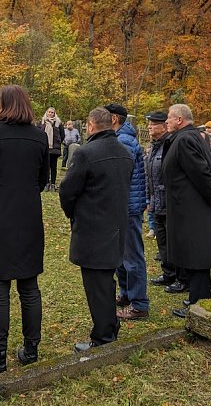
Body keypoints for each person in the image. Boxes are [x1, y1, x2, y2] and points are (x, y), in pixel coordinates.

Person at [0, 85, 49, 377]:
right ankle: (31, 350)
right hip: (27, 215)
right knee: (29, 286)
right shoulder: (39, 137)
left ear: (4, 104)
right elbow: (43, 179)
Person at [60, 107, 133, 351]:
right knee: (106, 282)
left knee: (97, 285)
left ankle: (103, 337)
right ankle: (110, 326)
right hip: (116, 226)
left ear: (91, 126)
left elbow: (67, 191)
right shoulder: (124, 152)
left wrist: (74, 214)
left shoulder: (86, 153)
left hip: (93, 228)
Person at [163, 104, 211, 318]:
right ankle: (197, 297)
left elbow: (201, 171)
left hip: (192, 207)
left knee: (197, 254)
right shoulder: (188, 138)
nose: (166, 122)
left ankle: (199, 302)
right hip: (189, 205)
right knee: (193, 253)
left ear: (180, 120)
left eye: (169, 118)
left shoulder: (185, 139)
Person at [105, 103, 149, 321]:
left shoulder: (123, 141)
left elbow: (120, 173)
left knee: (132, 256)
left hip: (128, 206)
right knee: (121, 256)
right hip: (123, 206)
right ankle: (126, 293)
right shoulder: (121, 138)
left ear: (114, 119)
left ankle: (139, 304)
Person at [144, 112, 185, 293]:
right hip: (156, 201)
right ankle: (168, 274)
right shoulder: (154, 147)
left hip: (170, 201)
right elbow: (149, 176)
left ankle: (181, 277)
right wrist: (148, 199)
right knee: (162, 241)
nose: (149, 127)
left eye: (153, 124)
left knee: (174, 241)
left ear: (162, 126)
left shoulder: (169, 145)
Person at [40, 107, 63, 190]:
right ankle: (46, 183)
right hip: (45, 148)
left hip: (55, 148)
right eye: (49, 112)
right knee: (46, 166)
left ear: (54, 113)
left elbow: (62, 135)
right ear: (46, 113)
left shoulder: (58, 123)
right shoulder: (42, 122)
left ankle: (53, 183)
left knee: (54, 167)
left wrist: (57, 142)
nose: (50, 114)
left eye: (52, 112)